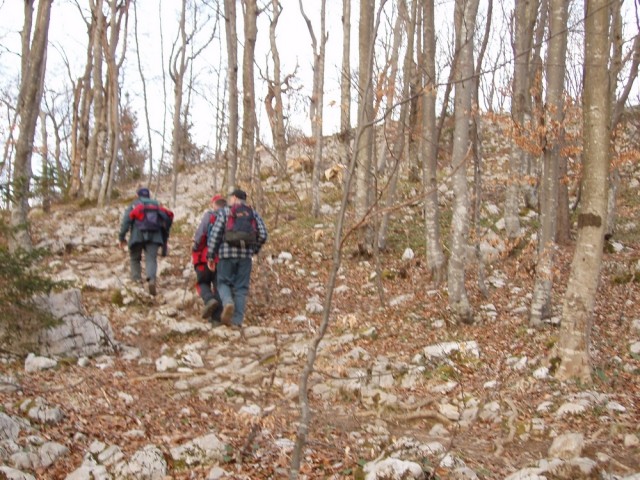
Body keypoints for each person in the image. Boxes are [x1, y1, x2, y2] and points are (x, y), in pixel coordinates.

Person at [206, 189, 268, 327]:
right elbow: (263, 235)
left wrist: (211, 255)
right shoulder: (253, 213)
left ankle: (228, 302)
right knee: (241, 288)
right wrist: (253, 250)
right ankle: (237, 321)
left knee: (223, 283)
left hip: (226, 255)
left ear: (234, 198)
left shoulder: (225, 212)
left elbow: (215, 234)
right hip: (245, 256)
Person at [118, 187, 173, 295]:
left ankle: (137, 281)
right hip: (155, 236)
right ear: (148, 196)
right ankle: (151, 280)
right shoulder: (156, 205)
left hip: (137, 236)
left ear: (137, 195)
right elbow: (165, 221)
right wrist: (164, 240)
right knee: (151, 259)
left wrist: (122, 237)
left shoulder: (134, 204)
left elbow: (126, 221)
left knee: (134, 258)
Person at [192, 194, 227, 323]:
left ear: (214, 204)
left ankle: (209, 299)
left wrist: (196, 249)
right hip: (225, 257)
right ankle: (216, 320)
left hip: (207, 256)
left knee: (202, 282)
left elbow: (201, 235)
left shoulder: (210, 216)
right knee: (219, 286)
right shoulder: (230, 217)